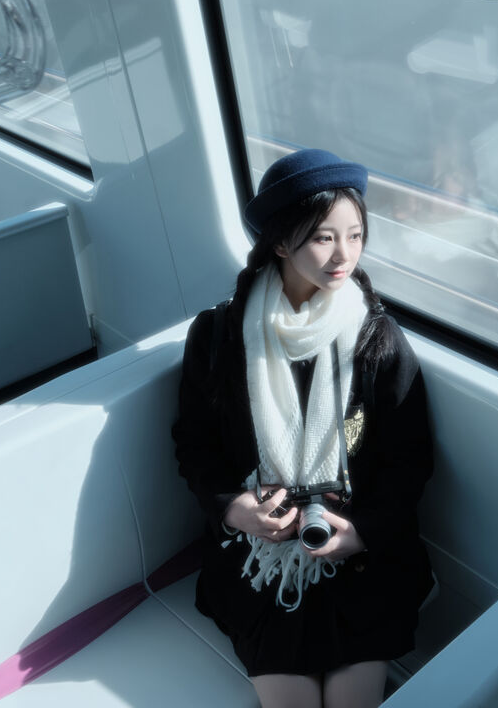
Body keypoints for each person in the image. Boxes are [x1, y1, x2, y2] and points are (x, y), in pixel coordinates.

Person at [173, 149, 434, 708]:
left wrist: (360, 532)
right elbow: (194, 443)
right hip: (257, 562)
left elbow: (408, 458)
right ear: (280, 242)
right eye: (323, 237)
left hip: (360, 557)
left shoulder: (376, 339)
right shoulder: (218, 336)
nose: (345, 255)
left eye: (356, 235)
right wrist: (234, 508)